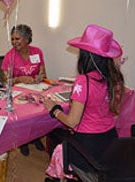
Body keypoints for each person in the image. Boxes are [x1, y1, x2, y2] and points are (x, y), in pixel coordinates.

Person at [43, 24, 124, 181]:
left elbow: (72, 122)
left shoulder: (83, 81)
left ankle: (58, 177)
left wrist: (54, 109)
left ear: (87, 55)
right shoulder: (116, 79)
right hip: (110, 144)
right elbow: (114, 114)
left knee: (54, 134)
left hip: (88, 149)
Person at [1, 24, 46, 156]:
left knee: (39, 114)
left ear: (27, 39)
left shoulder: (37, 52)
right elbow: (6, 80)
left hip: (36, 89)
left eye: (17, 39)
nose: (14, 42)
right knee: (25, 115)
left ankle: (36, 137)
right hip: (18, 94)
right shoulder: (9, 56)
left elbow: (43, 73)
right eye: (12, 39)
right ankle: (23, 142)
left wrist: (39, 77)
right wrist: (20, 79)